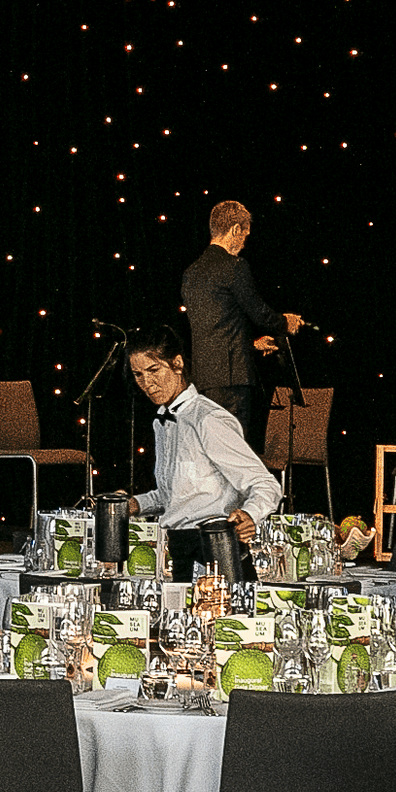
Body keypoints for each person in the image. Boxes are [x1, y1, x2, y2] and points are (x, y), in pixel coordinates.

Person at [126, 326, 281, 541]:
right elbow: (178, 496)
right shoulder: (162, 420)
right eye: (138, 374)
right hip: (176, 544)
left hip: (211, 545)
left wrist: (250, 515)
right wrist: (136, 504)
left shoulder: (208, 419)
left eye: (154, 370)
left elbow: (265, 484)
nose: (147, 383)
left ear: (177, 364)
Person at [179, 199, 303, 448]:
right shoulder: (234, 266)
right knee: (233, 452)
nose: (245, 241)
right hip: (232, 380)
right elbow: (259, 313)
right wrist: (284, 323)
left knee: (208, 449)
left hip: (202, 379)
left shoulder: (191, 272)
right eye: (245, 234)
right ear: (235, 229)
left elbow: (214, 327)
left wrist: (251, 344)